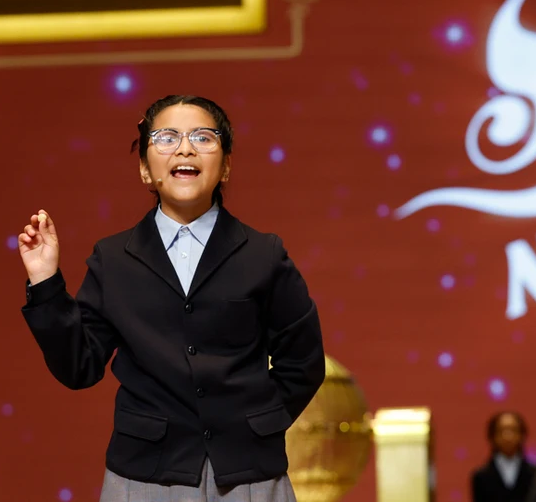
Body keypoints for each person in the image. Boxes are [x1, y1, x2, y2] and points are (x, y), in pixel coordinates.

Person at [17, 95, 326, 501]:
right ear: (145, 169)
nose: (185, 148)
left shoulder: (263, 253)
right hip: (145, 476)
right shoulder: (113, 259)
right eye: (166, 138)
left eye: (203, 137)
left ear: (226, 165)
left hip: (248, 475)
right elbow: (80, 366)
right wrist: (45, 281)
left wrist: (257, 425)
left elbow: (302, 363)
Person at [470, 411, 536, 502]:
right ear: (492, 436)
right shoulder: (481, 476)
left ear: (522, 435)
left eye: (513, 430)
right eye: (501, 431)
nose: (507, 436)